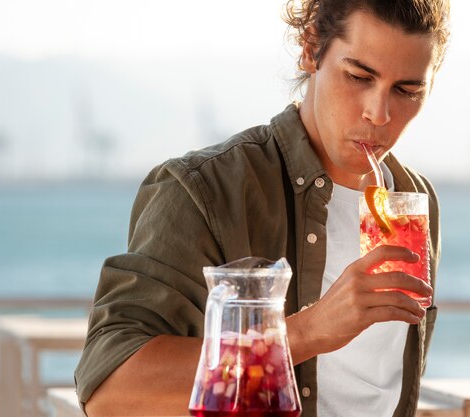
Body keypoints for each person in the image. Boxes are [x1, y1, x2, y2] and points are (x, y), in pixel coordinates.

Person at [75, 0, 450, 416]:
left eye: (407, 91)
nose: (379, 114)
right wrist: (307, 331)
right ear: (311, 49)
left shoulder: (416, 200)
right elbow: (110, 391)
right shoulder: (206, 188)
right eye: (359, 76)